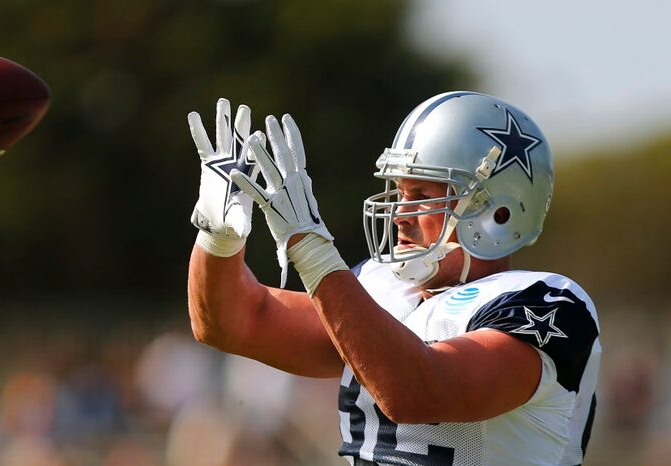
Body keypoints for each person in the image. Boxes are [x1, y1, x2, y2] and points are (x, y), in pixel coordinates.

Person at [186, 93, 601, 466]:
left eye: (422, 196)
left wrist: (311, 251)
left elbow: (417, 391)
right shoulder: (381, 290)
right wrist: (219, 240)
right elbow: (232, 322)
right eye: (399, 193)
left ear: (499, 213)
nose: (400, 214)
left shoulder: (547, 305)